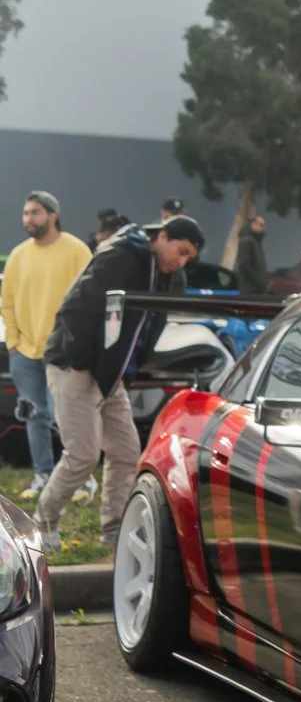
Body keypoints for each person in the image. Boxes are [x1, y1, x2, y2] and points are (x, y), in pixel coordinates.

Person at [34, 213, 206, 550]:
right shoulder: (123, 256)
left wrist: (126, 368)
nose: (181, 261)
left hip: (110, 375)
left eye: (189, 257)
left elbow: (148, 326)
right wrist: (83, 363)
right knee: (83, 455)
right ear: (163, 237)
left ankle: (112, 533)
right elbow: (76, 308)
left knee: (126, 452)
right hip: (77, 368)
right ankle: (42, 524)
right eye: (181, 250)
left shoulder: (164, 275)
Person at [1, 192, 91, 502]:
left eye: (35, 213)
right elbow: (7, 301)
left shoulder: (77, 251)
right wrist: (13, 342)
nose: (28, 219)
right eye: (25, 213)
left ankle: (81, 480)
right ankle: (42, 474)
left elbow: (90, 299)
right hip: (24, 354)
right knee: (33, 416)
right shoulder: (18, 255)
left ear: (52, 215)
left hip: (63, 353)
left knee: (64, 417)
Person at [234, 212, 270, 295]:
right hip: (250, 291)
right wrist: (259, 282)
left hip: (256, 290)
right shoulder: (247, 241)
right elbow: (244, 264)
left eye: (264, 225)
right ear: (253, 224)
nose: (263, 228)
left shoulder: (255, 242)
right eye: (261, 225)